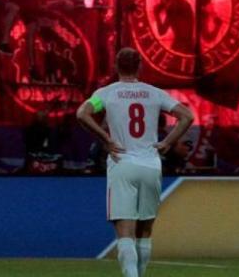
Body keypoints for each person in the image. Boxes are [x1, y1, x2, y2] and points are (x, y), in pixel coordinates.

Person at [76, 47, 195, 277]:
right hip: (150, 164)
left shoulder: (107, 93)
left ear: (115, 67)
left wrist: (106, 140)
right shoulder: (153, 93)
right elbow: (187, 116)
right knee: (145, 231)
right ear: (140, 66)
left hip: (123, 163)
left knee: (125, 231)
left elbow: (82, 113)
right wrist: (168, 142)